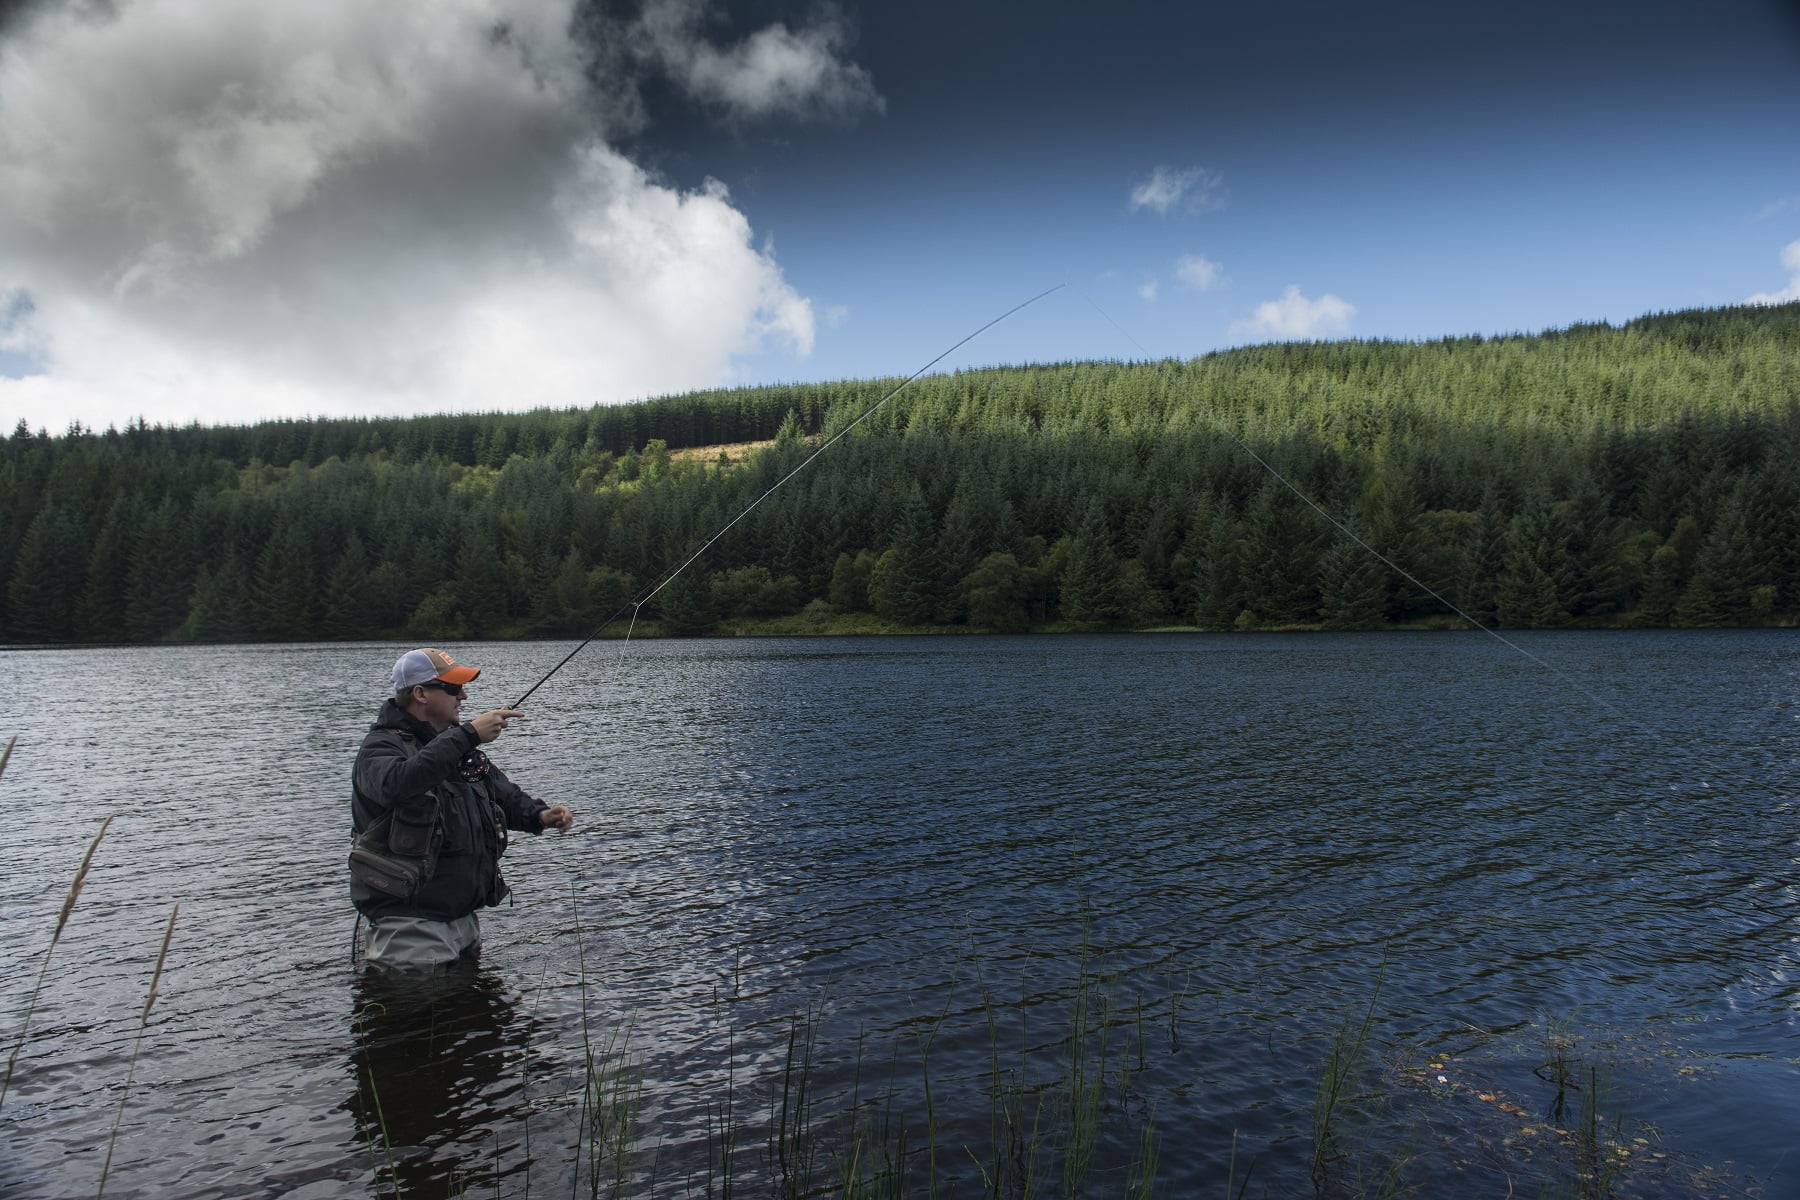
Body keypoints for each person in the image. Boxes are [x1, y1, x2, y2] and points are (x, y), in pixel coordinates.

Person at [351, 647, 573, 967]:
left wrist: (539, 815)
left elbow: (500, 793)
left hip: (462, 917)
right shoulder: (381, 746)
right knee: (415, 1013)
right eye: (454, 689)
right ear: (420, 693)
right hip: (410, 924)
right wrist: (468, 735)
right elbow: (395, 785)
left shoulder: (452, 743)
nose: (464, 697)